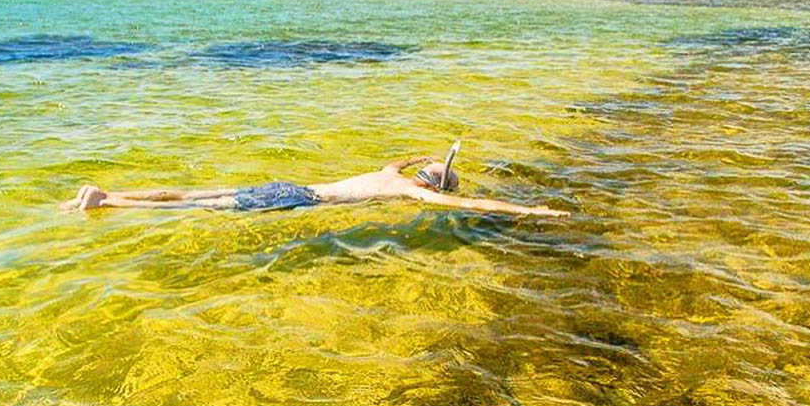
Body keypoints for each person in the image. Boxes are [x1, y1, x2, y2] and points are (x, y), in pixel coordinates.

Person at [60, 143, 568, 217]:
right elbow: (470, 207)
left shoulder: (393, 172)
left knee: (192, 195)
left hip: (289, 183)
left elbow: (402, 158)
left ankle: (107, 195)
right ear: (433, 185)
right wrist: (530, 210)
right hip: (297, 198)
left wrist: (428, 153)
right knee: (193, 207)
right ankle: (106, 204)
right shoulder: (406, 189)